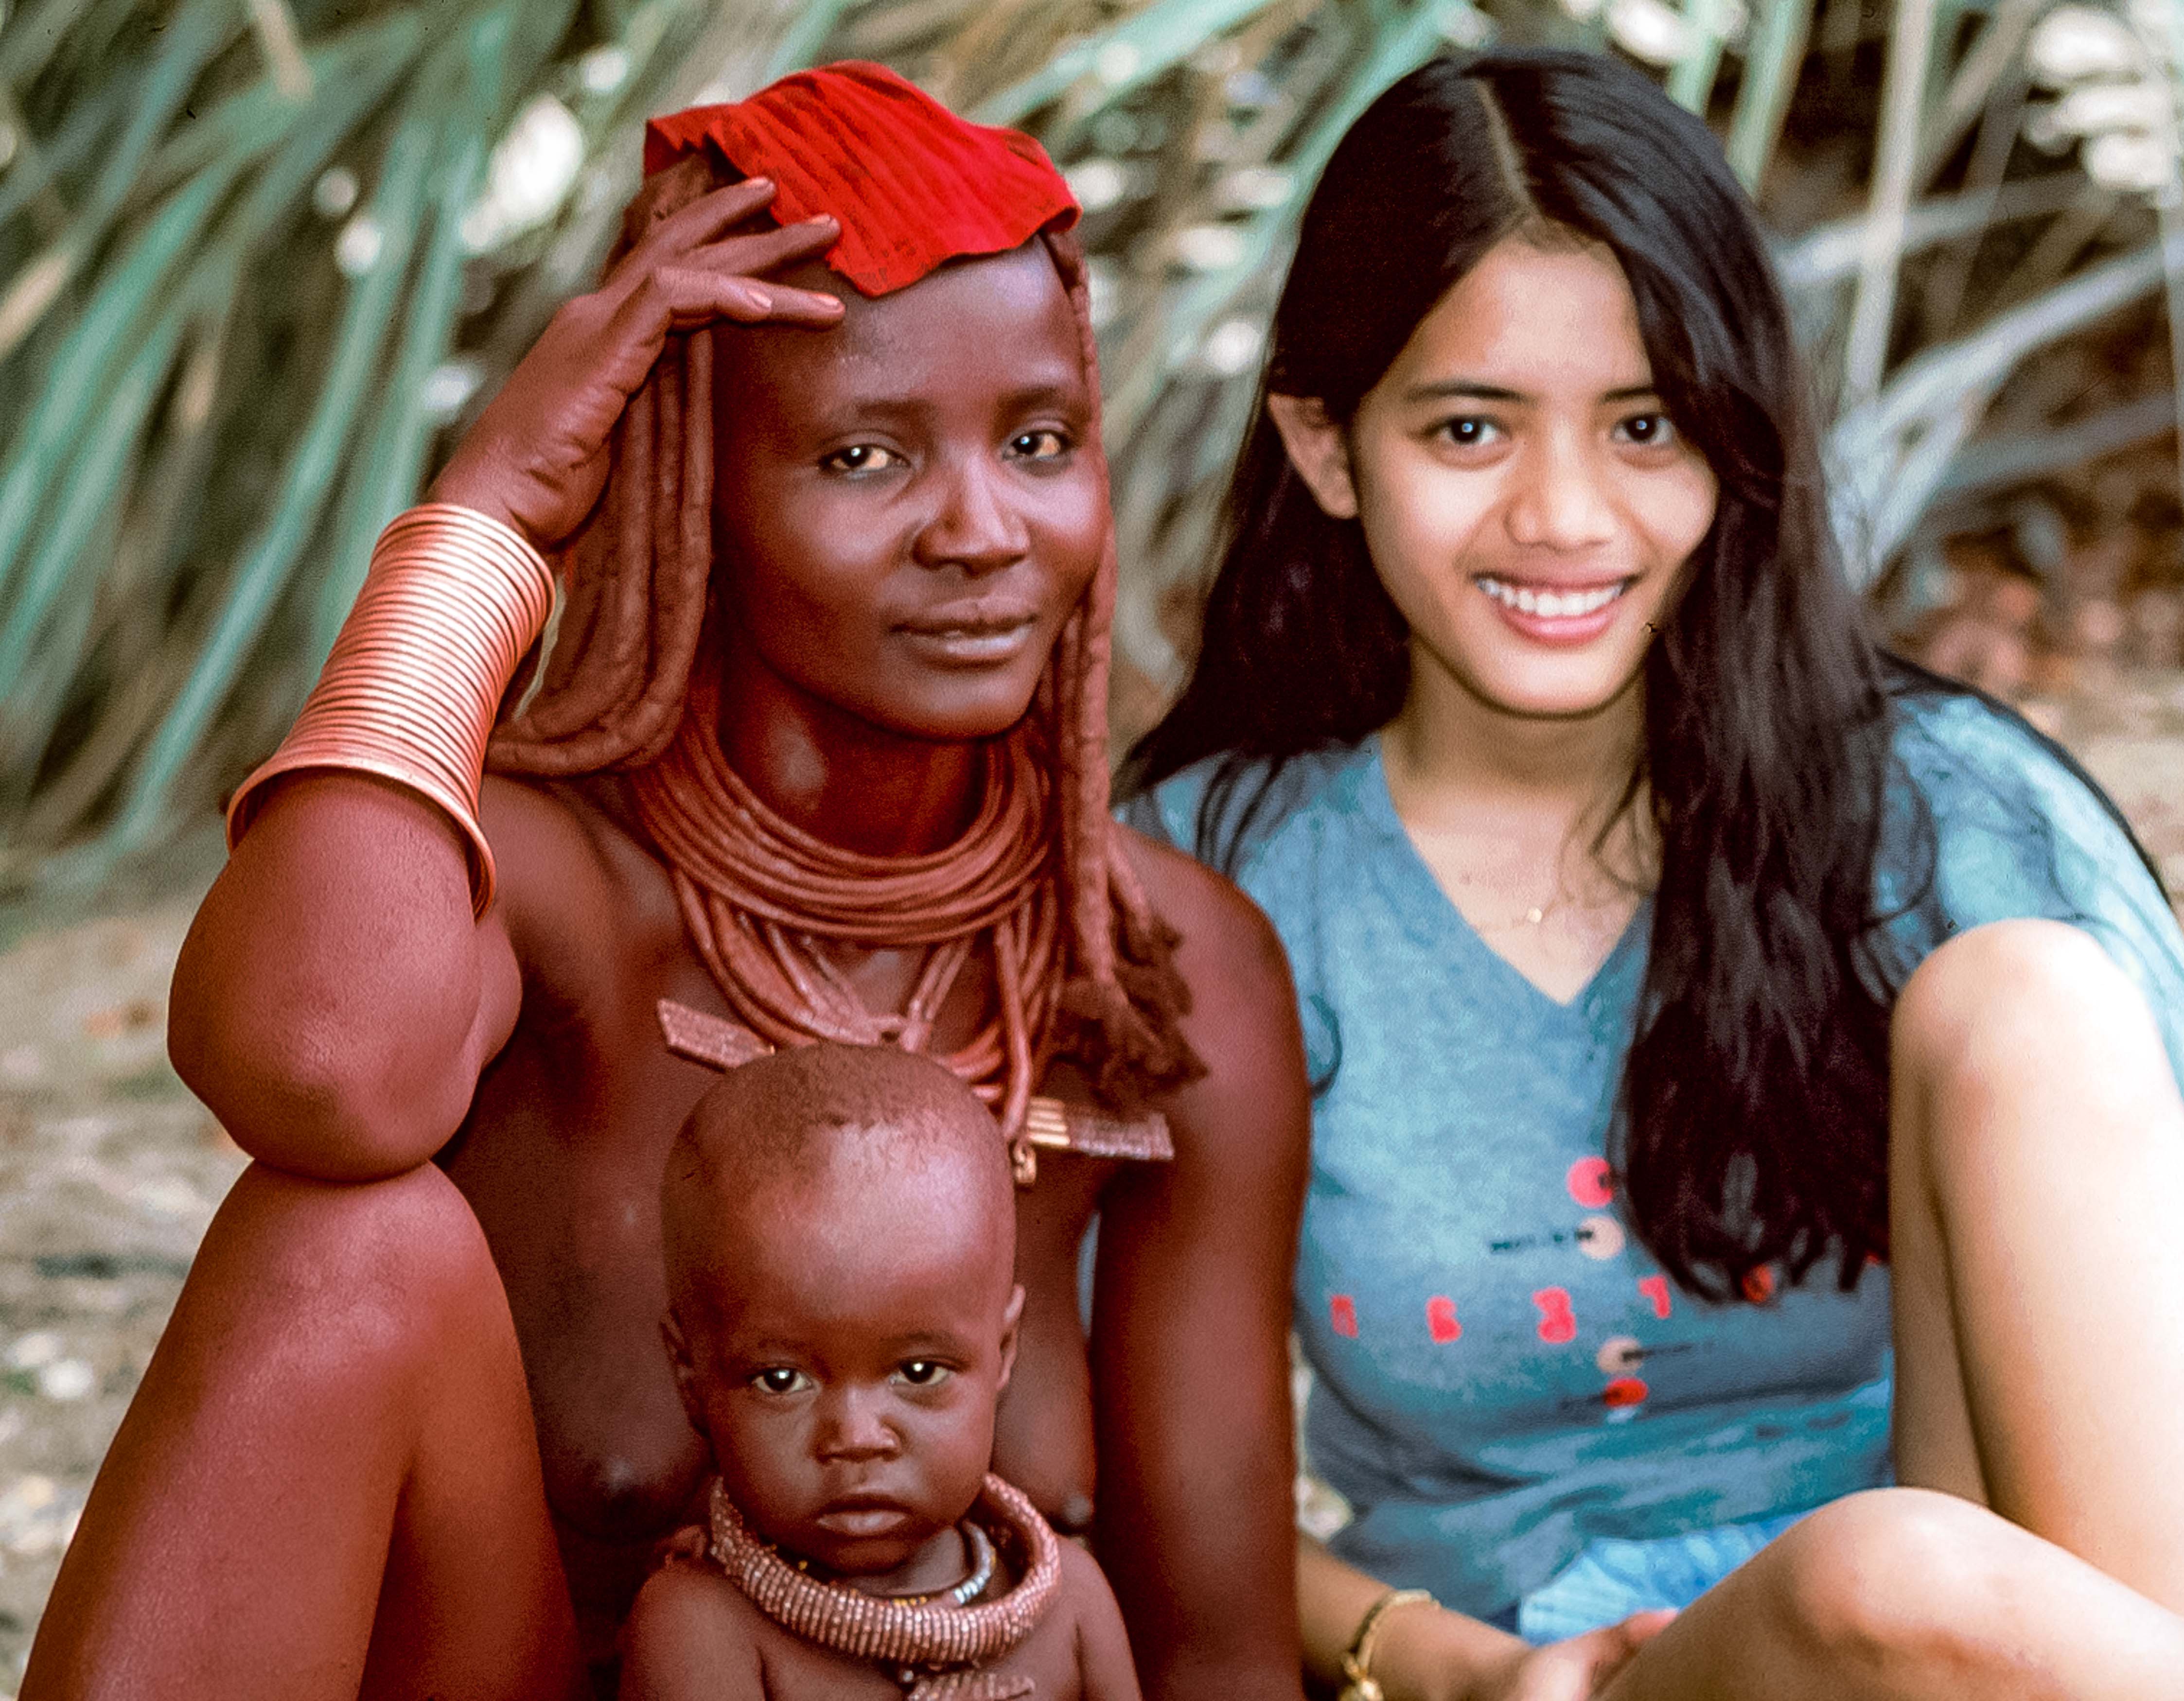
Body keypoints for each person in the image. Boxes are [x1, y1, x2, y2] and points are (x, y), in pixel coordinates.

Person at [26, 64, 1309, 1701]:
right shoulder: (553, 890)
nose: (984, 530)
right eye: (864, 456)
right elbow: (316, 1072)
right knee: (343, 1242)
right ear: (693, 486)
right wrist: (489, 519)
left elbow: (1220, 1661)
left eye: (1040, 441)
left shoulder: (1145, 968)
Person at [1122, 47, 2184, 1701]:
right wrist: (1451, 1666)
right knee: (1872, 1574)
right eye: (1470, 426)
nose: (1563, 513)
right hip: (1562, 1674)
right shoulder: (1212, 881)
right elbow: (1093, 1454)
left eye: (1645, 424)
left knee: (2030, 999)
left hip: (2002, 1648)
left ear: (1732, 443)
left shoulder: (1936, 803)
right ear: (1330, 448)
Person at [620, 1042, 1141, 1701]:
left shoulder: (1073, 1609)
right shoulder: (702, 1629)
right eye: (782, 1381)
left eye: (920, 1372)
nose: (857, 1437)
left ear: (1003, 1352)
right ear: (691, 1376)